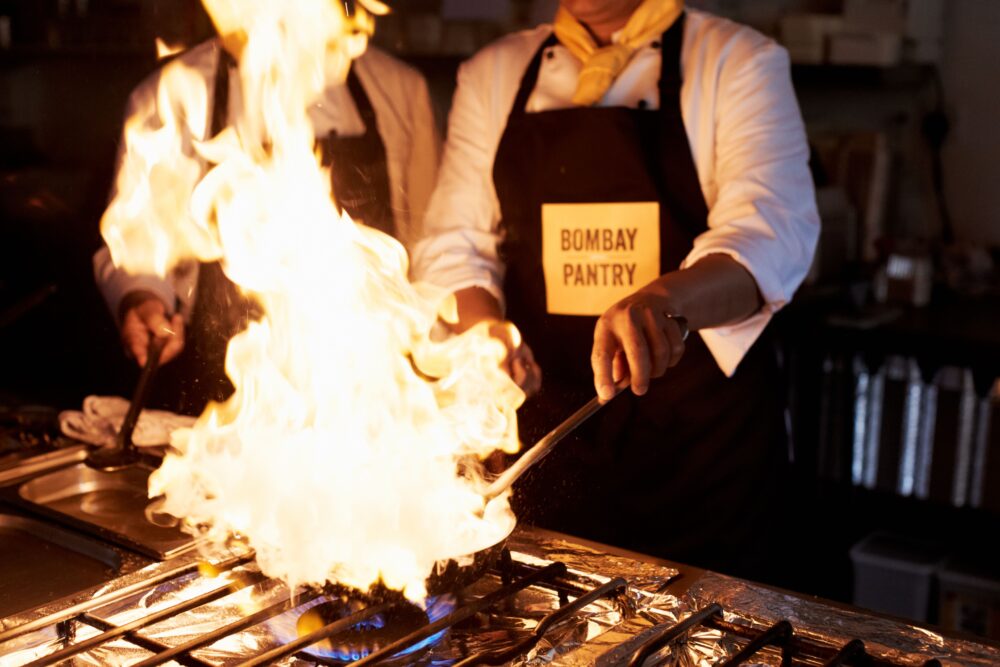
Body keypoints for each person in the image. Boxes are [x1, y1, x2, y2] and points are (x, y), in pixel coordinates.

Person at [412, 0, 819, 580]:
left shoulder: (738, 61)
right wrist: (483, 340)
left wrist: (667, 302)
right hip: (550, 442)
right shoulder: (494, 73)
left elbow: (769, 237)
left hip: (702, 453)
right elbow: (455, 246)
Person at [94, 24, 440, 414]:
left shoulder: (399, 89)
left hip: (364, 387)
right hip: (221, 394)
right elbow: (135, 238)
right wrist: (141, 298)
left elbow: (430, 241)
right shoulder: (173, 93)